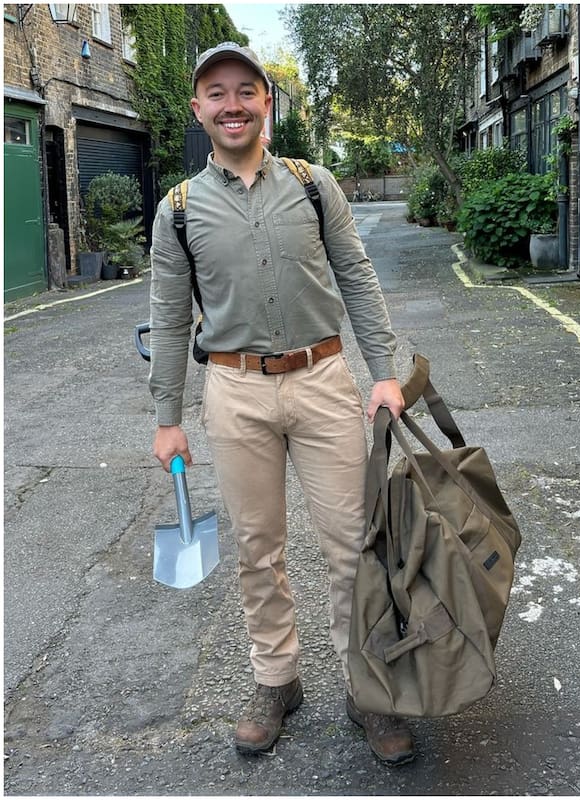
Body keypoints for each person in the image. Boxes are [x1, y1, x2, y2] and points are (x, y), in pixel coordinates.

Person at [148, 43, 412, 764]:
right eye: (216, 92)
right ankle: (276, 680)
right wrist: (167, 419)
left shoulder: (312, 183)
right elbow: (171, 317)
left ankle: (369, 688)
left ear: (268, 101)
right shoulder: (177, 209)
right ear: (198, 109)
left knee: (352, 544)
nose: (232, 103)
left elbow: (357, 275)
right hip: (233, 390)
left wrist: (383, 372)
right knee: (258, 549)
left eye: (245, 90)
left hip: (323, 380)